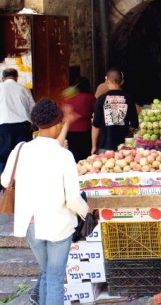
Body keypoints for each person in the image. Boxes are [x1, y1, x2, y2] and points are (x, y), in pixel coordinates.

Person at [1, 99, 88, 305]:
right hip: (57, 224)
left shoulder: (21, 149)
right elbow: (73, 199)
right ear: (58, 124)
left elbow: (5, 180)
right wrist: (86, 211)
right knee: (56, 279)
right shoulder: (64, 155)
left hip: (30, 224)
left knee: (47, 272)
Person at [91, 69, 139, 154]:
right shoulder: (129, 99)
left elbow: (95, 126)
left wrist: (94, 146)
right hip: (124, 149)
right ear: (122, 81)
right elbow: (134, 124)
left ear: (107, 81)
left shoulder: (101, 99)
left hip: (105, 147)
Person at [0, 68, 35, 177]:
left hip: (3, 127)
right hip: (22, 127)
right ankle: (22, 181)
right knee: (22, 157)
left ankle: (5, 186)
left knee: (3, 157)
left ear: (2, 78)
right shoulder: (24, 89)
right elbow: (32, 108)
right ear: (16, 77)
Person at [62, 77, 96, 162]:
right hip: (85, 130)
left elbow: (63, 112)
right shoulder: (91, 97)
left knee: (72, 155)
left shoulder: (68, 98)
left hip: (70, 130)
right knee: (85, 156)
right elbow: (96, 111)